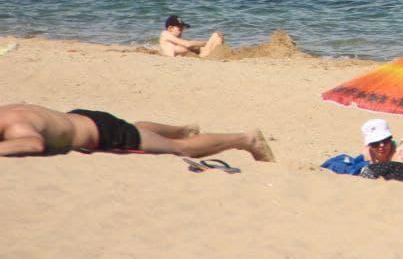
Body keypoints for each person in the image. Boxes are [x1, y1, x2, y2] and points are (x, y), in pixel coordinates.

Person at [0, 103, 275, 161]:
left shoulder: (15, 126)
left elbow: (33, 144)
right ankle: (181, 128)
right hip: (85, 118)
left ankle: (245, 138)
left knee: (182, 149)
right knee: (134, 129)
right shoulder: (8, 111)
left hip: (104, 135)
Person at [159, 14, 224, 58]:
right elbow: (188, 44)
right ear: (170, 28)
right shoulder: (165, 34)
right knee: (216, 35)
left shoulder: (173, 41)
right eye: (180, 28)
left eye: (182, 28)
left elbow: (188, 45)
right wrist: (208, 42)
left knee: (216, 37)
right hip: (202, 56)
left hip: (198, 55)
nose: (182, 30)